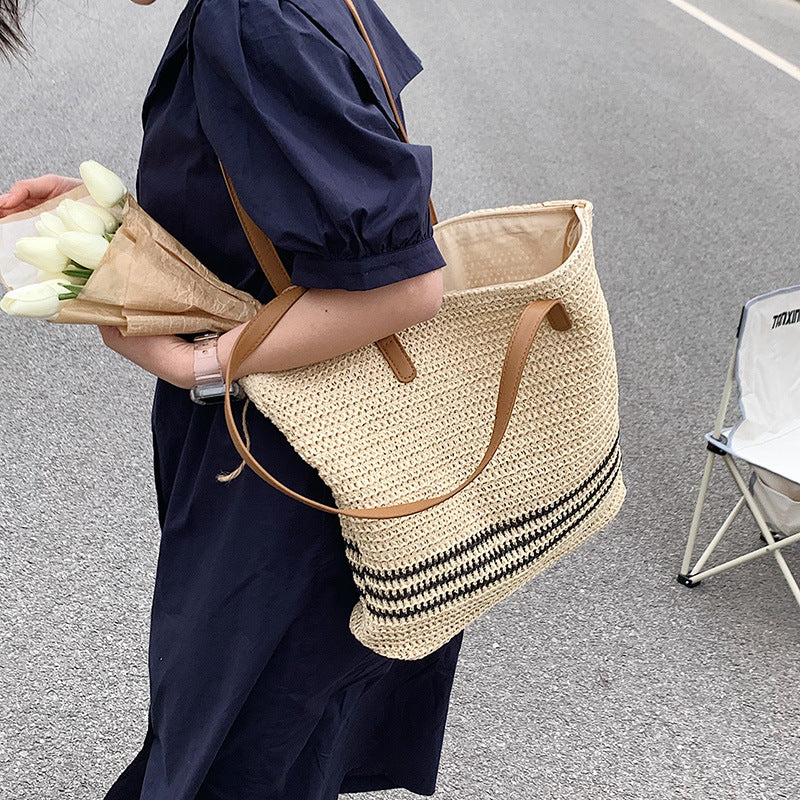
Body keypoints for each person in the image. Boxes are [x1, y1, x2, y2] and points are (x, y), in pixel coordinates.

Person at [0, 1, 463, 798]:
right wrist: (119, 224)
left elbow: (408, 284)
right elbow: (284, 207)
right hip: (303, 462)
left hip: (280, 477)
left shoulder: (254, 20)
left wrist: (200, 366)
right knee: (254, 746)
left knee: (225, 757)